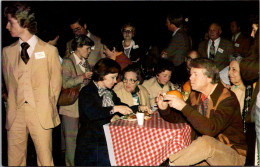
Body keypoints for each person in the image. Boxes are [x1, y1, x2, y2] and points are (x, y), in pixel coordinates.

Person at [2, 2, 62, 166]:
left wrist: (45, 106)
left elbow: (56, 86)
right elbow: (8, 84)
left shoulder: (50, 51)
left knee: (45, 160)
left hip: (41, 114)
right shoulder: (6, 52)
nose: (7, 26)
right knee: (14, 160)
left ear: (24, 23)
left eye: (10, 22)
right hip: (15, 115)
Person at [157, 58, 247, 166]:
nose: (190, 78)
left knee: (206, 142)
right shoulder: (196, 95)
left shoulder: (228, 99)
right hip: (205, 155)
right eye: (190, 74)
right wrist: (164, 109)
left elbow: (210, 129)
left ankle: (169, 164)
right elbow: (180, 118)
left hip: (232, 154)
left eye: (195, 74)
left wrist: (183, 106)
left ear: (209, 77)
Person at [74, 58, 133, 166]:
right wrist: (114, 109)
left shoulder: (109, 92)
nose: (116, 81)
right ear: (102, 75)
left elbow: (121, 105)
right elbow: (93, 113)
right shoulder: (87, 91)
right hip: (91, 144)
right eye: (113, 77)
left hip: (106, 139)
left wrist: (138, 108)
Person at [59, 35, 94, 166]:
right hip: (70, 108)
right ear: (78, 47)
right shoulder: (68, 62)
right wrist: (82, 77)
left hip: (82, 107)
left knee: (81, 141)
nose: (89, 51)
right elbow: (65, 83)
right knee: (71, 143)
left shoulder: (85, 62)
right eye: (87, 48)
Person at [161, 13, 190, 84]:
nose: (166, 24)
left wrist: (164, 54)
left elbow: (167, 53)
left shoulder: (179, 35)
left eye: (167, 22)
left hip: (178, 70)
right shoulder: (181, 34)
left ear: (172, 24)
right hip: (179, 68)